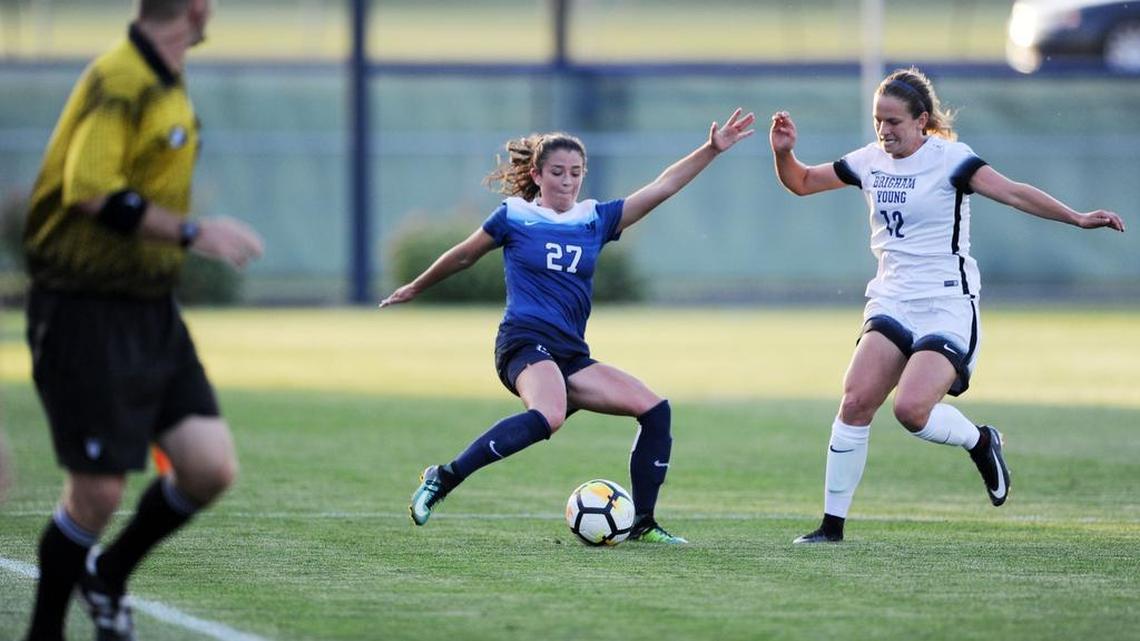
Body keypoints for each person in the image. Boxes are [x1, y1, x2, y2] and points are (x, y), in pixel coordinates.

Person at [768, 67, 1125, 544]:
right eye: (878, 120)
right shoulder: (869, 160)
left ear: (922, 121)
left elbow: (1014, 193)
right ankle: (831, 529)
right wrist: (784, 153)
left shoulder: (952, 160)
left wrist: (1076, 218)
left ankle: (981, 441)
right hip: (893, 298)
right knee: (854, 402)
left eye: (894, 121)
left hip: (946, 302)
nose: (884, 130)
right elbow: (802, 182)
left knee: (911, 410)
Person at [380, 108, 756, 544]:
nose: (567, 180)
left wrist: (711, 149)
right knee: (550, 415)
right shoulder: (514, 215)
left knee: (655, 410)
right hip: (523, 343)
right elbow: (464, 254)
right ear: (537, 175)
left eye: (576, 173)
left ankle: (643, 523)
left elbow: (663, 186)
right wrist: (416, 286)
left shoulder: (595, 219)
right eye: (557, 172)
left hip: (570, 354)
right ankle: (443, 478)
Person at [20, 1, 264, 639]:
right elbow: (89, 190)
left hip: (149, 309)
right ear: (194, 8)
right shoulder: (121, 78)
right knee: (96, 494)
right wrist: (193, 232)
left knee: (208, 467)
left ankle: (108, 575)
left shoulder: (165, 75)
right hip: (82, 309)